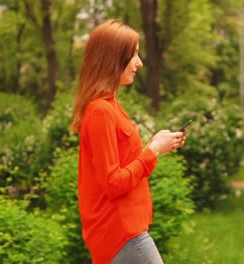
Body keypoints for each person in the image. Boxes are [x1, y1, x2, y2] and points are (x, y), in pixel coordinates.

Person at [70, 19, 186, 264]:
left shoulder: (111, 108)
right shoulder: (100, 111)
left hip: (126, 230)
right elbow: (113, 183)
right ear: (113, 58)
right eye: (133, 54)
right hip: (120, 232)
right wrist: (152, 150)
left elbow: (123, 166)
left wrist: (156, 144)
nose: (139, 63)